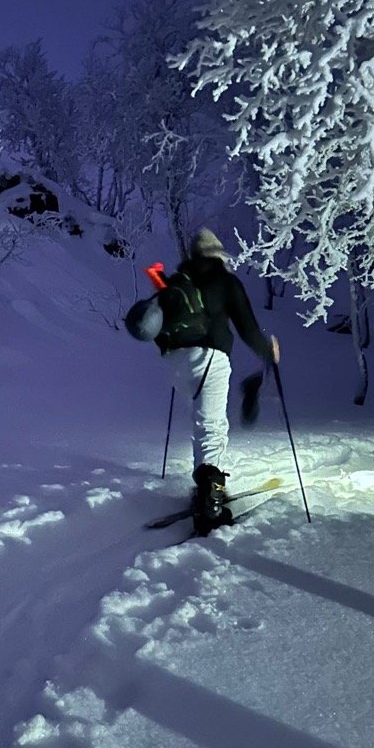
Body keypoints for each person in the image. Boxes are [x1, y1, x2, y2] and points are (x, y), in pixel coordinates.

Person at [157, 227, 279, 531]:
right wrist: (268, 351)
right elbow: (247, 328)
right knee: (212, 426)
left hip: (175, 363)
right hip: (210, 359)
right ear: (217, 254)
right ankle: (210, 503)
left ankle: (205, 485)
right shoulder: (225, 282)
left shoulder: (175, 283)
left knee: (203, 424)